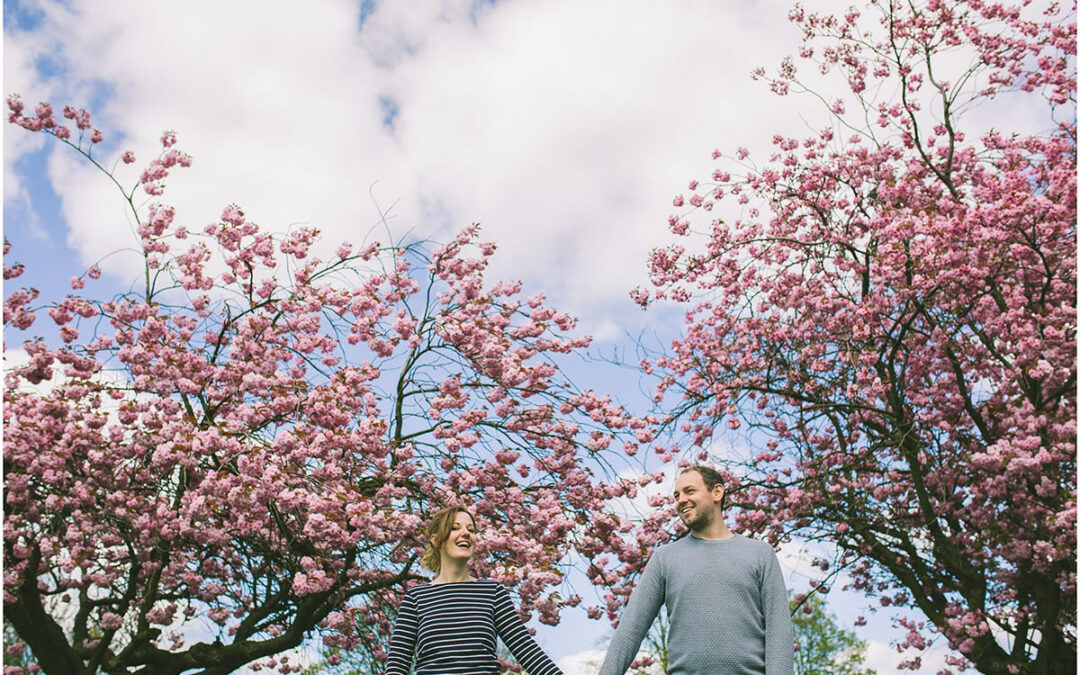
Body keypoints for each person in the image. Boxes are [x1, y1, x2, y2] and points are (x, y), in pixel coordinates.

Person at [598, 465, 794, 675]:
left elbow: (779, 632)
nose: (680, 500)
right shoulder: (664, 559)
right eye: (676, 495)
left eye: (689, 491)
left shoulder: (760, 554)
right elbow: (630, 630)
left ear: (717, 492)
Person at [385, 505, 563, 675]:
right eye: (455, 528)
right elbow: (397, 665)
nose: (465, 533)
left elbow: (527, 650)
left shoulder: (492, 593)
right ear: (436, 540)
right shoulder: (416, 598)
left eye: (470, 530)